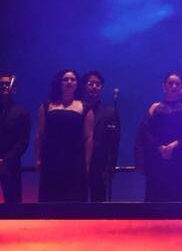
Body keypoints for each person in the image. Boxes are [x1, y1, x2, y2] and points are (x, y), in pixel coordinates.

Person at [135, 74, 182, 202]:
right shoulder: (154, 107)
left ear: (181, 87)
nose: (174, 86)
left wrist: (174, 145)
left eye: (177, 84)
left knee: (180, 197)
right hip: (157, 158)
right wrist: (159, 147)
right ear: (164, 86)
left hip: (181, 160)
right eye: (170, 83)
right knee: (156, 197)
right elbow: (146, 132)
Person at [36, 69, 94, 202]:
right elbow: (39, 134)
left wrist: (87, 163)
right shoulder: (46, 106)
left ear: (77, 84)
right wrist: (38, 159)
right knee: (50, 200)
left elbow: (89, 138)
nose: (69, 82)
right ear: (59, 83)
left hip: (75, 161)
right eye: (65, 79)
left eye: (73, 79)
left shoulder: (85, 108)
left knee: (74, 201)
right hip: (51, 159)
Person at [83, 71, 122, 202]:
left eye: (97, 84)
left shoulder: (110, 111)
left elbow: (115, 142)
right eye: (90, 84)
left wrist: (111, 167)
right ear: (84, 87)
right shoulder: (77, 109)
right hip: (78, 162)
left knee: (98, 204)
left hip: (101, 165)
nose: (94, 86)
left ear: (101, 88)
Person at [0, 75, 31, 204]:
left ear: (14, 89)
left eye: (7, 84)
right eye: (1, 84)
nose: (4, 86)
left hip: (11, 165)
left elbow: (23, 141)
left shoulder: (22, 113)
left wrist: (5, 160)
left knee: (13, 204)